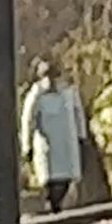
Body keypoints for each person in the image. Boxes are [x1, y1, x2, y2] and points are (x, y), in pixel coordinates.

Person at [21, 57, 88, 213]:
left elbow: (79, 115)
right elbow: (28, 120)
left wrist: (81, 136)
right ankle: (53, 210)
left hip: (68, 147)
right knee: (51, 182)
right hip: (47, 148)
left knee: (65, 182)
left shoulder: (69, 93)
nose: (50, 79)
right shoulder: (36, 95)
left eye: (53, 75)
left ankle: (58, 212)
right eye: (46, 75)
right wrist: (27, 146)